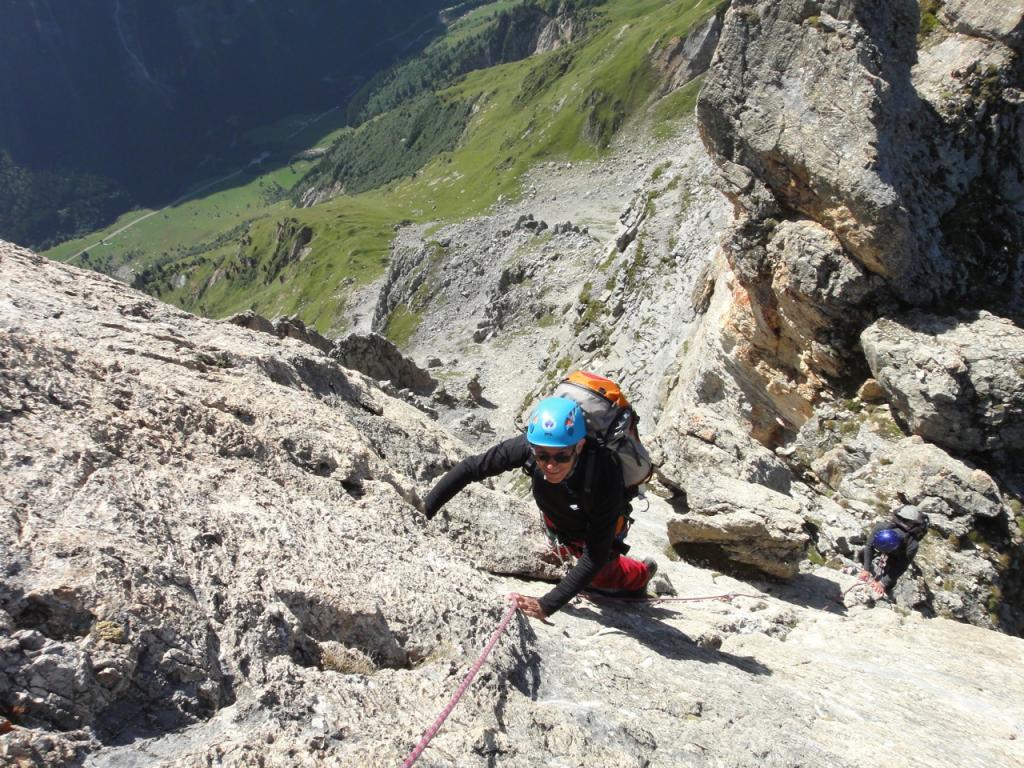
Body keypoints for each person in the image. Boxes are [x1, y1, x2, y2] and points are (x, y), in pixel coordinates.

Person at [421, 396, 657, 620]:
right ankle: (567, 546)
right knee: (575, 557)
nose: (551, 465)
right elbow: (471, 469)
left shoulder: (605, 473)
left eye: (562, 457)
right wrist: (423, 513)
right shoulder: (530, 447)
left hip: (593, 526)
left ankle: (641, 575)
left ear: (580, 446)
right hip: (559, 517)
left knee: (603, 576)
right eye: (542, 456)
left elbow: (594, 555)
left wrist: (546, 605)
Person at [857, 505, 929, 599]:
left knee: (890, 579)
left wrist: (882, 583)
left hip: (899, 553)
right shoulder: (880, 528)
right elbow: (869, 547)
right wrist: (866, 569)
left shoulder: (911, 545)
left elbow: (901, 566)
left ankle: (888, 587)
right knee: (862, 554)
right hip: (889, 545)